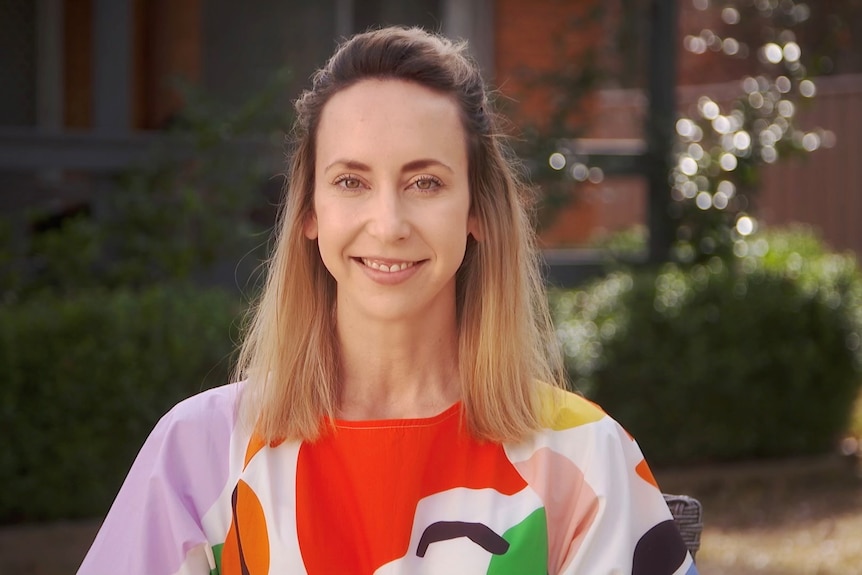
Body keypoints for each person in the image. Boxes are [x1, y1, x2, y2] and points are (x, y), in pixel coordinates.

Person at [78, 26, 698, 575]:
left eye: (424, 182)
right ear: (310, 211)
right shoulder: (201, 454)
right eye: (352, 181)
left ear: (476, 210)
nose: (388, 222)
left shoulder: (583, 456)